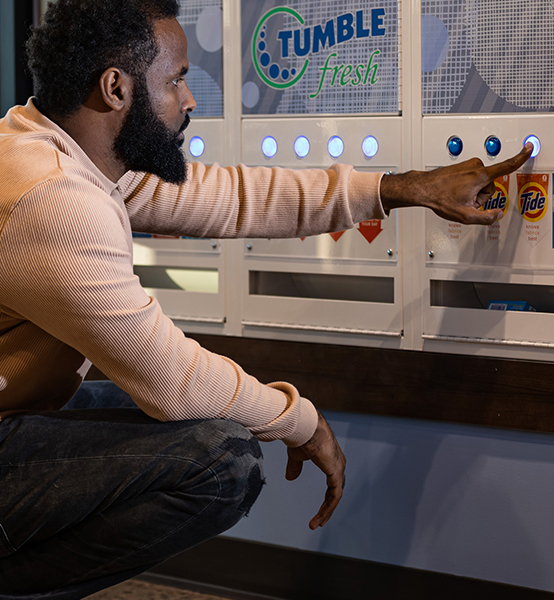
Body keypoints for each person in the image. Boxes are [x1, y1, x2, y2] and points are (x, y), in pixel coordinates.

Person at [0, 0, 531, 597]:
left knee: (185, 416)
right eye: (176, 80)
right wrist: (302, 422)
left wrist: (401, 188)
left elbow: (235, 196)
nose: (190, 100)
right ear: (116, 88)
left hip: (17, 415)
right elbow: (173, 381)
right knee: (221, 456)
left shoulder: (60, 153)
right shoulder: (51, 199)